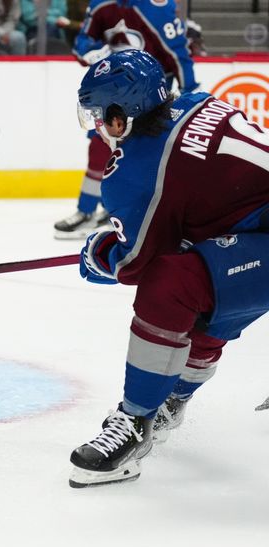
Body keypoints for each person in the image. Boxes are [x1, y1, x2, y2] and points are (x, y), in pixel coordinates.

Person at [68, 50, 269, 487]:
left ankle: (135, 422)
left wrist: (99, 253)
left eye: (101, 115)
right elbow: (211, 196)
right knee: (208, 278)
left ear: (121, 117)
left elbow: (137, 261)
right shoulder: (198, 100)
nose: (99, 126)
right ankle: (171, 398)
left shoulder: (134, 172)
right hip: (256, 233)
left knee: (171, 285)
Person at [53, 0, 198, 239]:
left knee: (144, 152)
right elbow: (83, 41)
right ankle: (88, 210)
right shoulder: (102, 5)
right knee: (99, 147)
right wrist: (92, 52)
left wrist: (189, 92)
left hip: (149, 97)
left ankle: (130, 212)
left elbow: (178, 54)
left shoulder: (157, 7)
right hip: (110, 92)